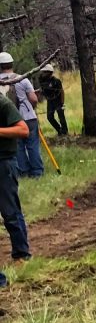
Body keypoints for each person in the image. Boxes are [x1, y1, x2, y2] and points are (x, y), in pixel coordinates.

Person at [0, 86, 30, 266]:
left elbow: (23, 130)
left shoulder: (3, 103)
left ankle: (21, 254)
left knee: (10, 211)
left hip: (3, 163)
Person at [0, 54, 42, 178]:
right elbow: (33, 98)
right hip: (28, 117)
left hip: (10, 121)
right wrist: (31, 108)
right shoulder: (23, 79)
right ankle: (37, 172)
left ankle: (23, 171)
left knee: (18, 146)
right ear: (12, 64)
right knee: (33, 145)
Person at [39, 64, 67, 137]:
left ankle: (65, 132)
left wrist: (62, 103)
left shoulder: (56, 81)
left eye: (45, 72)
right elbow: (43, 91)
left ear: (49, 72)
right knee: (49, 117)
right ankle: (59, 130)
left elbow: (61, 91)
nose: (43, 73)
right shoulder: (43, 81)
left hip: (58, 101)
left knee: (61, 116)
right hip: (50, 101)